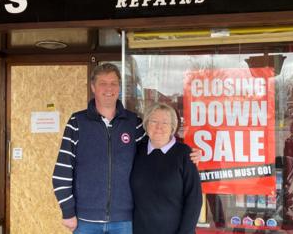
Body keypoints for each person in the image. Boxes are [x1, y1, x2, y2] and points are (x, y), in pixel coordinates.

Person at [52, 63, 202, 234]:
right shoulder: (77, 122)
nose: (109, 88)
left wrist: (189, 153)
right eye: (103, 83)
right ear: (93, 87)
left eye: (114, 83)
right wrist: (68, 211)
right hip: (85, 220)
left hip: (124, 222)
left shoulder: (133, 123)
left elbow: (159, 143)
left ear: (119, 88)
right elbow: (61, 171)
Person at [130, 103, 202, 234]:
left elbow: (194, 199)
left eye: (165, 123)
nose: (159, 127)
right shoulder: (137, 151)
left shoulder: (185, 154)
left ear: (172, 127)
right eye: (154, 121)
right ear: (146, 124)